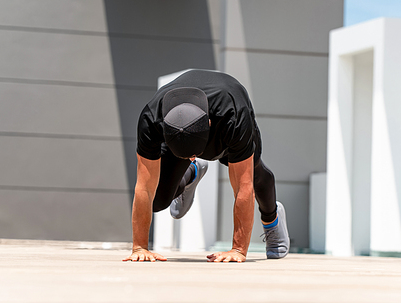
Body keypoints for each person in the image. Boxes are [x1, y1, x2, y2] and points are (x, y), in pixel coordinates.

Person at [123, 69, 289, 263]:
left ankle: (272, 221)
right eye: (190, 157)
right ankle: (191, 174)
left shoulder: (234, 116)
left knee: (256, 175)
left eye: (194, 155)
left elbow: (244, 188)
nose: (194, 156)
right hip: (182, 133)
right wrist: (140, 247)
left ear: (209, 124)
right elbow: (144, 187)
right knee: (157, 200)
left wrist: (238, 250)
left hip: (225, 123)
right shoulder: (151, 119)